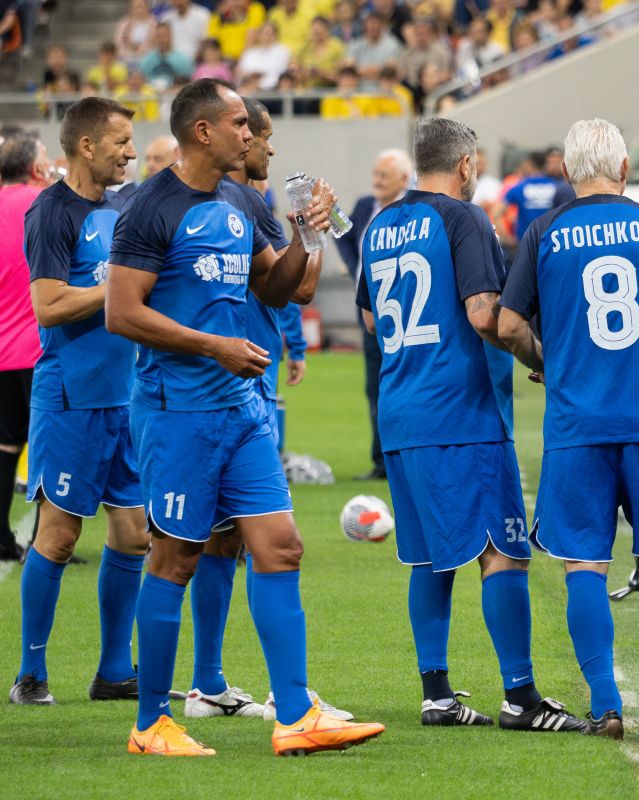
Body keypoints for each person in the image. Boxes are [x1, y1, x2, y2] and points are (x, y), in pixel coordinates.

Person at [105, 78, 384, 757]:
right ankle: (151, 723)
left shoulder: (238, 200)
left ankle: (295, 714)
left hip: (241, 410)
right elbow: (123, 311)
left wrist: (305, 233)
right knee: (174, 555)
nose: (251, 134)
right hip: (178, 412)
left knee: (281, 546)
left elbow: (277, 285)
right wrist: (214, 345)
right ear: (203, 131)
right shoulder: (150, 208)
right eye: (239, 123)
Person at [358, 117, 586, 734]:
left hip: (400, 411)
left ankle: (436, 694)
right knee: (502, 553)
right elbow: (485, 314)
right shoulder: (464, 218)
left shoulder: (380, 224)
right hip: (458, 413)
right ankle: (522, 697)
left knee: (431, 560)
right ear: (465, 165)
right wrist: (541, 357)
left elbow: (375, 322)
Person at [498, 118, 639, 739]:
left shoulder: (543, 231)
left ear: (568, 173)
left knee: (584, 564)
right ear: (625, 169)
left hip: (578, 424)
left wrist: (547, 363)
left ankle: (605, 705)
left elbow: (509, 326)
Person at [181, 95, 347, 723]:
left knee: (233, 542)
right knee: (224, 543)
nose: (269, 147)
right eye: (259, 134)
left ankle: (209, 684)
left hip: (244, 386)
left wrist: (312, 229)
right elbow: (299, 289)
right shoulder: (204, 205)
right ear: (231, 137)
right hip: (213, 393)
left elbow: (294, 289)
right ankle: (273, 695)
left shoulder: (245, 206)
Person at [12, 99, 149, 707]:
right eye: (120, 141)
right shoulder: (51, 213)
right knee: (60, 535)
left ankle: (114, 670)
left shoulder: (126, 206)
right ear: (87, 146)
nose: (131, 151)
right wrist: (112, 288)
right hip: (71, 397)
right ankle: (31, 674)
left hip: (130, 396)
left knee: (134, 530)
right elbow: (48, 305)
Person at [335, 147, 413, 481]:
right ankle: (382, 461)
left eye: (384, 175)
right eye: (376, 174)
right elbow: (346, 234)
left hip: (407, 317)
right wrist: (357, 271)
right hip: (370, 316)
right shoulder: (367, 205)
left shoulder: (412, 210)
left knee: (406, 387)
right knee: (375, 389)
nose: (376, 181)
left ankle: (409, 456)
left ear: (404, 179)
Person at [0, 133, 52, 563]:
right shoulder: (45, 203)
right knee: (48, 445)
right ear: (36, 170)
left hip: (1, 350)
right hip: (38, 348)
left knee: (5, 445)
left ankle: (1, 537)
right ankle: (44, 541)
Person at [500, 149, 575, 245]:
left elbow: (496, 212)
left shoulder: (520, 187)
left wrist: (509, 241)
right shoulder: (558, 186)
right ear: (545, 164)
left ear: (529, 164)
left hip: (525, 243)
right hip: (553, 243)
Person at [346, 12, 404, 91]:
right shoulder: (356, 44)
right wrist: (377, 71)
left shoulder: (393, 45)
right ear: (365, 27)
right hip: (358, 90)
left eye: (375, 25)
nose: (372, 27)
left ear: (382, 26)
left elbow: (389, 72)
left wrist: (362, 71)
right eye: (369, 25)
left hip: (385, 89)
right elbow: (350, 69)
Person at [140, 22, 196, 90]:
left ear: (171, 36)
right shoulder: (147, 60)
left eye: (164, 35)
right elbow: (141, 81)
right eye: (158, 36)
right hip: (151, 97)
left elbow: (188, 83)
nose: (161, 39)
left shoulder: (183, 60)